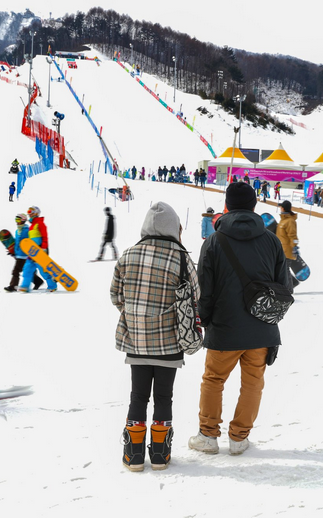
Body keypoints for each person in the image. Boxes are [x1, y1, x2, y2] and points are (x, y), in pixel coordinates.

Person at [189, 182, 290, 456]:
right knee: (253, 382)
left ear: (228, 205)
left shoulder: (213, 241)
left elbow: (204, 290)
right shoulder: (272, 241)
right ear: (254, 205)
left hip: (224, 327)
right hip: (262, 330)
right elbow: (285, 287)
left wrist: (206, 321)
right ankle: (239, 438)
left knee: (213, 379)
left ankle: (208, 436)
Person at [111, 202, 199, 471]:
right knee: (164, 397)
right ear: (174, 227)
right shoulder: (182, 257)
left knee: (137, 396)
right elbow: (196, 296)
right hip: (170, 342)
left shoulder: (127, 255)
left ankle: (134, 456)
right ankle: (160, 455)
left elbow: (116, 296)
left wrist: (136, 314)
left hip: (136, 340)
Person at [18, 206, 58, 292]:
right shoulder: (31, 226)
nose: (29, 213)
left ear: (36, 213)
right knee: (27, 268)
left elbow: (45, 237)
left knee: (43, 271)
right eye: (28, 212)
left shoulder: (40, 223)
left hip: (40, 252)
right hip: (32, 252)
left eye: (31, 211)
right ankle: (25, 286)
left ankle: (52, 285)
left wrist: (43, 248)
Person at [5, 213, 43, 292]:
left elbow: (30, 242)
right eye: (16, 220)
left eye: (18, 220)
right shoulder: (17, 231)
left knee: (16, 271)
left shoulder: (27, 230)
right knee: (26, 270)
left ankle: (13, 286)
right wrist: (13, 251)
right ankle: (38, 281)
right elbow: (17, 242)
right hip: (19, 254)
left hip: (25, 255)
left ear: (23, 220)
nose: (17, 222)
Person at [275, 200, 301, 288]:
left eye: (281, 207)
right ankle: (293, 283)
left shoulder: (290, 221)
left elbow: (293, 235)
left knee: (285, 270)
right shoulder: (283, 221)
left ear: (284, 208)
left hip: (287, 250)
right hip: (281, 249)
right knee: (283, 270)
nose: (280, 208)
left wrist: (295, 247)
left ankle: (289, 290)